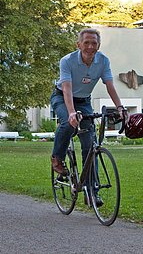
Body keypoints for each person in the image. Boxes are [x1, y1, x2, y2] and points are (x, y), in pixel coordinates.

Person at [50, 28, 127, 207]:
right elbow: (67, 88)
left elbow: (110, 85)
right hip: (62, 97)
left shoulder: (103, 61)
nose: (90, 46)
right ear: (79, 45)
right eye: (86, 43)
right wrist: (70, 112)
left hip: (84, 101)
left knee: (90, 145)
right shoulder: (67, 61)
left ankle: (91, 191)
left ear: (98, 45)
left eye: (94, 43)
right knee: (68, 125)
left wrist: (120, 107)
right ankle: (57, 158)